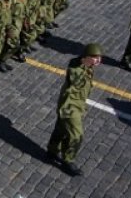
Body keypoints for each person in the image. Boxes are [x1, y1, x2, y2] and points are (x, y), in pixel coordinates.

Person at [46, 43, 103, 177]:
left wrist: (88, 64)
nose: (98, 60)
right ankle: (68, 161)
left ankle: (51, 151)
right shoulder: (75, 69)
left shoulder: (87, 66)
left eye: (99, 57)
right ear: (86, 57)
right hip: (69, 107)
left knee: (60, 129)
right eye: (95, 57)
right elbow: (76, 79)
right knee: (76, 135)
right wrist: (85, 63)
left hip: (76, 105)